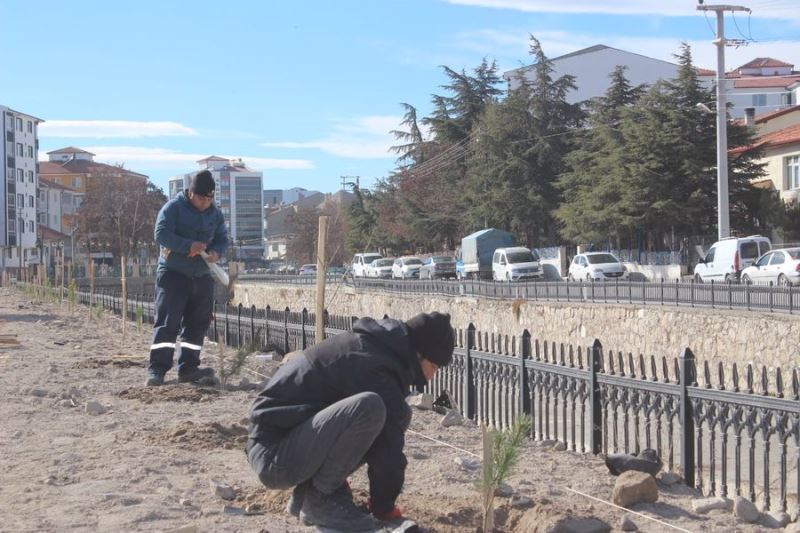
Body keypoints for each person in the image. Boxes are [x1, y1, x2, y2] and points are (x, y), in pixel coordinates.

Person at [247, 312, 455, 531]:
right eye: (433, 367)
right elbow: (388, 449)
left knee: (397, 412)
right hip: (273, 454)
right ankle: (320, 500)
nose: (432, 377)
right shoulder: (373, 365)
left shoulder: (376, 349)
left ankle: (319, 493)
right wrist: (384, 509)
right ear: (418, 354)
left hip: (285, 446)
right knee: (370, 407)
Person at [145, 170, 229, 387]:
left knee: (197, 323)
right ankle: (157, 370)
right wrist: (187, 246)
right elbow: (161, 234)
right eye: (202, 198)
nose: (205, 203)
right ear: (191, 193)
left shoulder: (215, 214)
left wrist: (217, 252)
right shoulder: (173, 208)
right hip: (174, 274)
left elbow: (222, 239)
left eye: (209, 199)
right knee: (168, 322)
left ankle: (189, 368)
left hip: (201, 276)